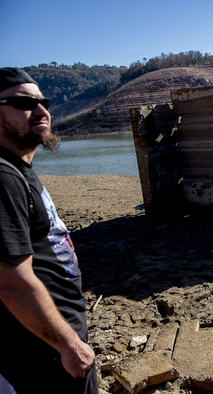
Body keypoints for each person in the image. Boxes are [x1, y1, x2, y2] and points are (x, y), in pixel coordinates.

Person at [0, 68, 98, 393]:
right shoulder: (4, 177)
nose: (42, 111)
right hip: (44, 350)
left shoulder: (17, 169)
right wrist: (69, 344)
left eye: (43, 102)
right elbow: (11, 283)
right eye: (25, 103)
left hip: (50, 338)